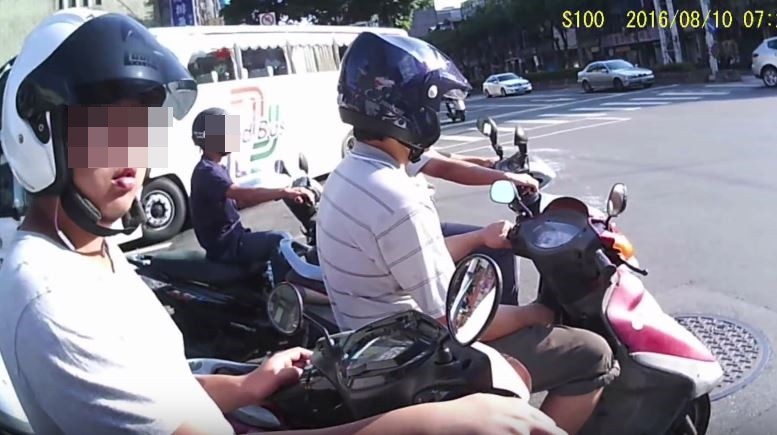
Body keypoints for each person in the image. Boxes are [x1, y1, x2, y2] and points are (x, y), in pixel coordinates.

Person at [0, 9, 565, 435]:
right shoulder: (54, 299)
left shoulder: (87, 251)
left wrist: (248, 385)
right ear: (40, 131)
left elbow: (164, 392)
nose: (130, 153)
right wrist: (425, 425)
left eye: (139, 127)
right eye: (103, 128)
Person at [316, 31, 620, 435]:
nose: (436, 115)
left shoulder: (351, 172)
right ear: (407, 109)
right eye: (431, 105)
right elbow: (453, 320)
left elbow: (405, 262)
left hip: (374, 341)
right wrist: (533, 313)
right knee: (592, 353)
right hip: (416, 358)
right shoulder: (397, 200)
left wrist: (480, 238)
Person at [189, 106, 312, 286]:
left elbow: (238, 201)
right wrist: (283, 192)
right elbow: (245, 194)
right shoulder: (208, 172)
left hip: (233, 239)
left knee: (281, 241)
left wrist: (279, 194)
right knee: (280, 240)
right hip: (227, 246)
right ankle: (285, 296)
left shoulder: (216, 168)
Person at [405, 146, 538, 305]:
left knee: (494, 239)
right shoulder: (395, 151)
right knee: (499, 243)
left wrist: (484, 163)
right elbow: (445, 168)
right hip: (414, 237)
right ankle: (505, 314)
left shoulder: (395, 148)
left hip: (423, 226)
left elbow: (438, 156)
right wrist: (506, 177)